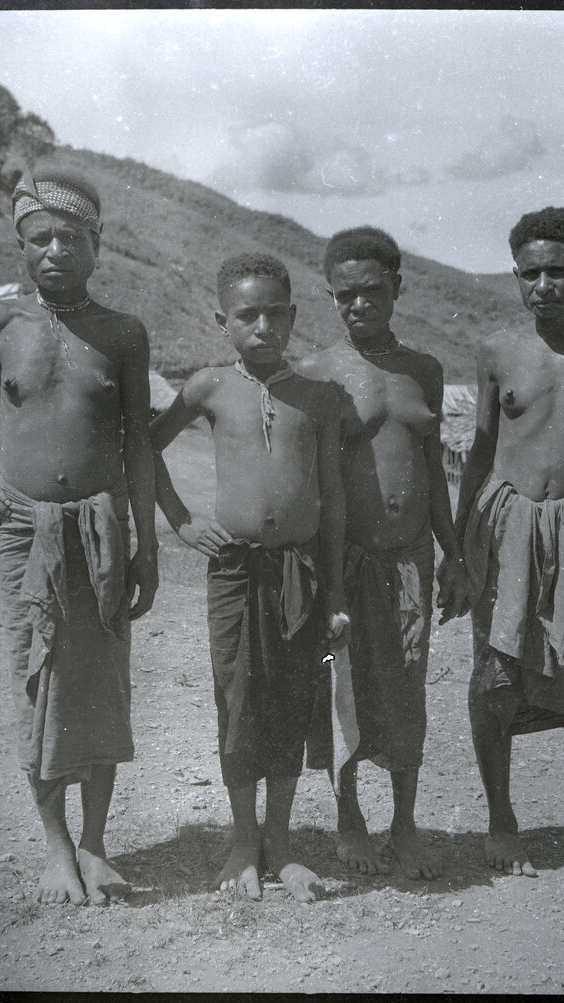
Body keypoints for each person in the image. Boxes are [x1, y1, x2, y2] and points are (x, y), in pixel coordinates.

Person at [0, 166, 158, 906]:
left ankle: (96, 844)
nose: (55, 250)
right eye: (40, 237)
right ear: (21, 244)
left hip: (103, 525)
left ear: (96, 244)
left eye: (70, 237)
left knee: (103, 684)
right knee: (36, 677)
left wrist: (145, 546)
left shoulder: (123, 333)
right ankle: (56, 846)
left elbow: (138, 443)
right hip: (23, 527)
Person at [150, 253, 349, 903]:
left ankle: (281, 843)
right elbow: (144, 445)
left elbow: (333, 498)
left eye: (275, 313)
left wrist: (336, 592)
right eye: (247, 315)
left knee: (293, 698)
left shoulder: (318, 395)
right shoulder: (208, 387)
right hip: (234, 569)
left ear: (292, 315)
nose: (263, 326)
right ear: (223, 321)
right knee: (236, 699)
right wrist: (181, 521)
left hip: (300, 569)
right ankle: (242, 840)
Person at [448, 206, 564, 880]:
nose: (544, 286)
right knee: (495, 674)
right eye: (530, 274)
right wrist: (457, 549)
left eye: (558, 272)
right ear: (516, 276)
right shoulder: (497, 352)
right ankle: (502, 820)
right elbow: (479, 453)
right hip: (504, 528)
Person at [298, 227, 470, 880]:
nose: (359, 304)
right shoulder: (318, 371)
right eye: (345, 295)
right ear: (331, 296)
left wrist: (454, 554)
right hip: (345, 559)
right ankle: (349, 818)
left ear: (397, 287)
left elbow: (433, 474)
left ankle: (404, 822)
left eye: (372, 290)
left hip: (410, 561)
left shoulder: (424, 370)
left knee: (406, 687)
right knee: (342, 684)